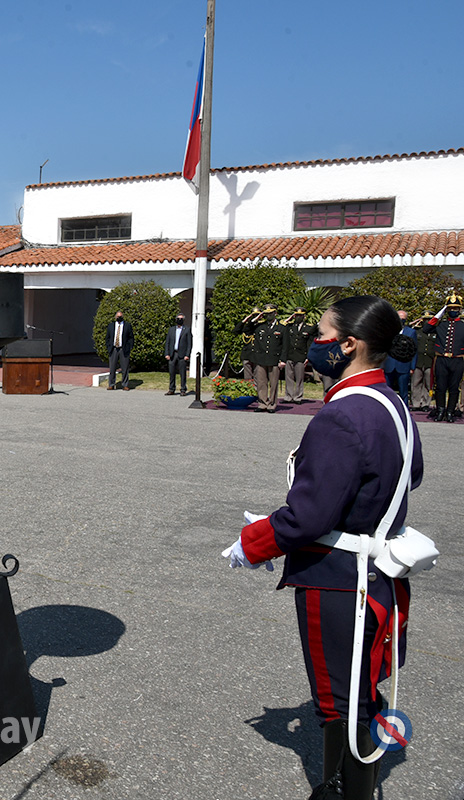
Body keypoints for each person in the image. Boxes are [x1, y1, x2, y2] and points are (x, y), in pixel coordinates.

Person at [225, 296, 423, 800]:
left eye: (321, 334)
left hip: (339, 576)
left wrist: (254, 543)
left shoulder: (343, 414)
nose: (315, 344)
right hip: (375, 568)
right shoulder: (390, 400)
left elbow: (309, 516)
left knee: (344, 700)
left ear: (349, 344)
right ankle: (333, 784)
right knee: (356, 690)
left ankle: (346, 792)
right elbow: (410, 475)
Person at [424, 291, 464, 422]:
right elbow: (426, 329)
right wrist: (439, 314)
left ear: (459, 310)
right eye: (450, 308)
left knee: (454, 388)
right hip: (441, 359)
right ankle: (440, 410)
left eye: (455, 308)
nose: (453, 310)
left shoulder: (462, 326)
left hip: (457, 360)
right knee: (440, 387)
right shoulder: (441, 324)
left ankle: (450, 412)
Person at [247, 303, 284, 412]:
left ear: (275, 313)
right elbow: (247, 330)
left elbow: (285, 345)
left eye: (270, 313)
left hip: (274, 359)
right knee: (261, 383)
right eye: (266, 314)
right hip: (261, 358)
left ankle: (272, 404)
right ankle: (262, 403)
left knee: (273, 384)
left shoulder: (281, 327)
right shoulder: (259, 326)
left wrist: (283, 360)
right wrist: (256, 318)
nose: (268, 316)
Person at [281, 307, 316, 403]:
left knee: (299, 377)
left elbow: (309, 343)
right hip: (290, 354)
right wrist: (289, 319)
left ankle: (298, 397)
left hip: (301, 355)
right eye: (296, 315)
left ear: (304, 317)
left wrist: (308, 357)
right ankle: (288, 396)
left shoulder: (308, 327)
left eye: (300, 315)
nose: (298, 317)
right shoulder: (290, 326)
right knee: (288, 377)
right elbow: (281, 325)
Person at [382, 310, 417, 407]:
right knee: (387, 390)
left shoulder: (411, 332)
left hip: (404, 365)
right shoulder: (388, 331)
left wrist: (412, 366)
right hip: (389, 365)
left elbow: (414, 350)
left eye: (403, 319)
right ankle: (388, 408)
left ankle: (404, 410)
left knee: (403, 391)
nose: (401, 320)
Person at [410, 310, 436, 411]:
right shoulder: (417, 331)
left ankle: (426, 403)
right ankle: (416, 403)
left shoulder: (435, 332)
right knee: (416, 383)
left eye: (429, 320)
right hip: (418, 361)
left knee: (428, 384)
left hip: (430, 362)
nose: (427, 321)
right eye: (425, 319)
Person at [164, 313, 191, 396]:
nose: (179, 320)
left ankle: (183, 389)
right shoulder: (171, 330)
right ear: (176, 320)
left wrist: (187, 355)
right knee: (171, 373)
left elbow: (189, 344)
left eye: (181, 319)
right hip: (172, 353)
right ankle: (171, 389)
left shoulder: (187, 330)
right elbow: (167, 342)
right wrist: (167, 353)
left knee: (182, 373)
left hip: (182, 354)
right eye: (178, 318)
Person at [105, 310, 133, 390]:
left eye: (120, 316)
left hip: (123, 349)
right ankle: (111, 384)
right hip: (113, 349)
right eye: (118, 316)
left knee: (125, 368)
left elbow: (131, 338)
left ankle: (125, 384)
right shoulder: (111, 326)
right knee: (112, 368)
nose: (119, 317)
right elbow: (108, 338)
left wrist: (129, 347)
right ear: (115, 317)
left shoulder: (127, 325)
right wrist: (109, 347)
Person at [233, 307, 261, 385]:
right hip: (247, 353)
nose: (256, 317)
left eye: (257, 315)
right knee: (247, 377)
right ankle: (249, 391)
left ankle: (256, 391)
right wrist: (245, 320)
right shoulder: (248, 326)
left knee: (257, 375)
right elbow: (236, 331)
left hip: (257, 354)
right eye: (254, 315)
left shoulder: (261, 325)